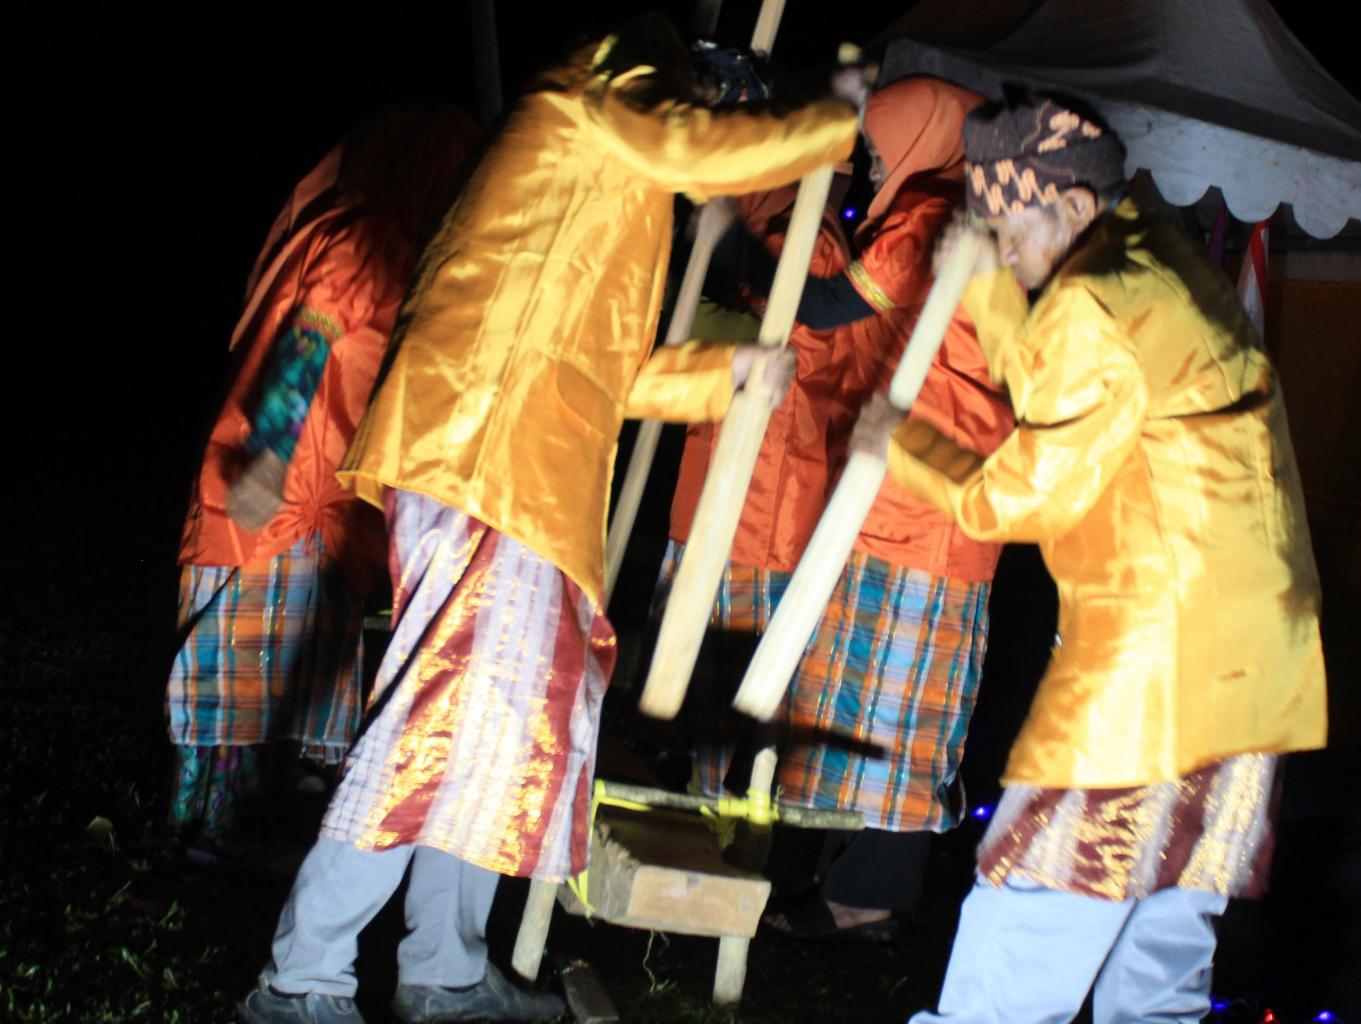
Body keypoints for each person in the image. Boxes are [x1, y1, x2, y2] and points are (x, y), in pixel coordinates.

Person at [239, 16, 866, 1024]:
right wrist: (827, 125)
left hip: (522, 466)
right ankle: (302, 977)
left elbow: (603, 367)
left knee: (497, 734)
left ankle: (443, 970)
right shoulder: (619, 71)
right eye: (731, 113)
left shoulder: (615, 178)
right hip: (486, 453)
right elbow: (690, 151)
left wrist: (727, 374)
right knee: (436, 721)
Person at [853, 93, 1327, 1022]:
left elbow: (1021, 498)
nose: (1005, 253)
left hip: (1154, 678)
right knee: (1162, 951)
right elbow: (1065, 388)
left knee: (1037, 902)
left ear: (1071, 206)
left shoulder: (1089, 302)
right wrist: (992, 291)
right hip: (1254, 676)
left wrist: (902, 443)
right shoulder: (1155, 260)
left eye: (1009, 234)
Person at [675, 77, 1014, 939]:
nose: (869, 165)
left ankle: (866, 897)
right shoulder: (932, 212)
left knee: (899, 713)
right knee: (859, 706)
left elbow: (828, 307)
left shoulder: (939, 212)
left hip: (928, 502)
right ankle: (836, 884)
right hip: (889, 485)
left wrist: (725, 243)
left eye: (879, 146)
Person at [166, 106, 479, 861]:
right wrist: (271, 459)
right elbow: (307, 344)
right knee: (241, 673)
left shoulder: (366, 235)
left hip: (309, 495)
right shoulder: (365, 242)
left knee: (273, 670)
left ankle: (228, 831)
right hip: (283, 492)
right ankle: (210, 833)